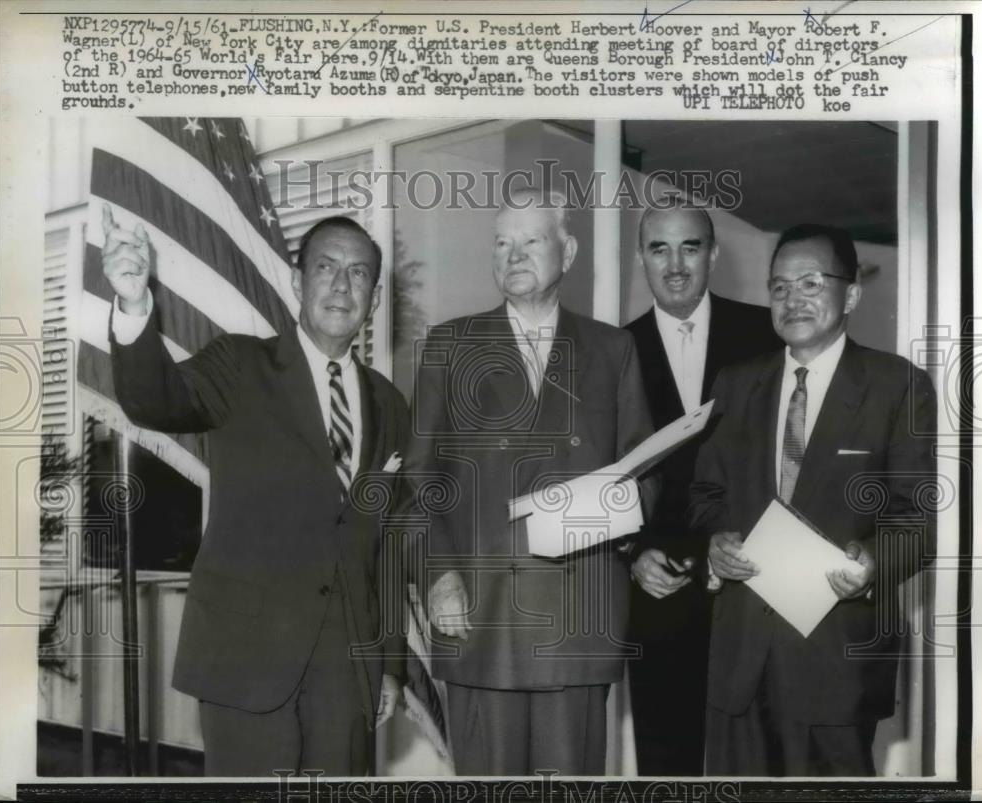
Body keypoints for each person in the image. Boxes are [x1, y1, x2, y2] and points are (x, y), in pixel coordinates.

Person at [103, 207, 408, 776]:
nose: (342, 285)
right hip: (245, 656)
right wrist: (133, 304)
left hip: (347, 667)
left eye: (360, 273)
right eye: (326, 267)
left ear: (375, 294)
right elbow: (154, 398)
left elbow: (385, 545)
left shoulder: (391, 404)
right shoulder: (240, 364)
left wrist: (389, 660)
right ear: (297, 281)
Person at [405, 187, 655, 775]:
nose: (513, 254)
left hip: (578, 620)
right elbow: (419, 478)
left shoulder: (614, 349)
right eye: (501, 242)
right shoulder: (448, 345)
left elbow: (645, 473)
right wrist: (438, 575)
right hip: (478, 613)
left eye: (531, 240)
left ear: (567, 253)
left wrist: (586, 520)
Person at [689, 223, 937, 776]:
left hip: (836, 666)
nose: (792, 299)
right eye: (779, 287)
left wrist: (873, 563)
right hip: (740, 662)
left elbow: (918, 522)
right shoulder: (735, 383)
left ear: (850, 294)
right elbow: (706, 495)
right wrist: (714, 541)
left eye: (809, 283)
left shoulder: (898, 385)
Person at [624, 206, 780, 776]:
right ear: (641, 257)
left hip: (755, 584)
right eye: (659, 249)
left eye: (690, 247)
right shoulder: (612, 351)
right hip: (658, 593)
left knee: (763, 763)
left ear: (713, 255)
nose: (675, 264)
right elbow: (602, 474)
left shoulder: (767, 334)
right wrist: (632, 553)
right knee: (669, 769)